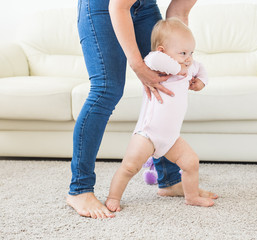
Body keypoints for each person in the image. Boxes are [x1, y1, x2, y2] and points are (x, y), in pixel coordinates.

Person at [67, 0, 217, 219]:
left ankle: (170, 181)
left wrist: (184, 58)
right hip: (103, 5)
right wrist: (139, 66)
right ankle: (79, 189)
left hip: (145, 6)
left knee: (166, 80)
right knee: (107, 89)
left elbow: (179, 14)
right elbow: (119, 7)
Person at [105, 18, 215, 212]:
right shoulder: (157, 65)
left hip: (171, 138)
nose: (188, 58)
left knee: (191, 162)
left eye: (191, 52)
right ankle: (113, 197)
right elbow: (152, 58)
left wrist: (201, 83)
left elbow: (201, 69)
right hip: (147, 134)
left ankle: (192, 197)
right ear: (164, 51)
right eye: (182, 53)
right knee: (130, 167)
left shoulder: (189, 66)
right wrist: (178, 68)